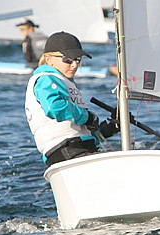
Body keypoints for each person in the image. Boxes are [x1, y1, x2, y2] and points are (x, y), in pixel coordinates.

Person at [25, 31, 118, 165]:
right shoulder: (46, 78)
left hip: (76, 150)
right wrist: (87, 117)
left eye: (78, 59)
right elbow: (55, 108)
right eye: (67, 59)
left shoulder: (63, 82)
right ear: (49, 59)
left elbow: (80, 132)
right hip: (66, 151)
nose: (74, 65)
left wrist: (111, 127)